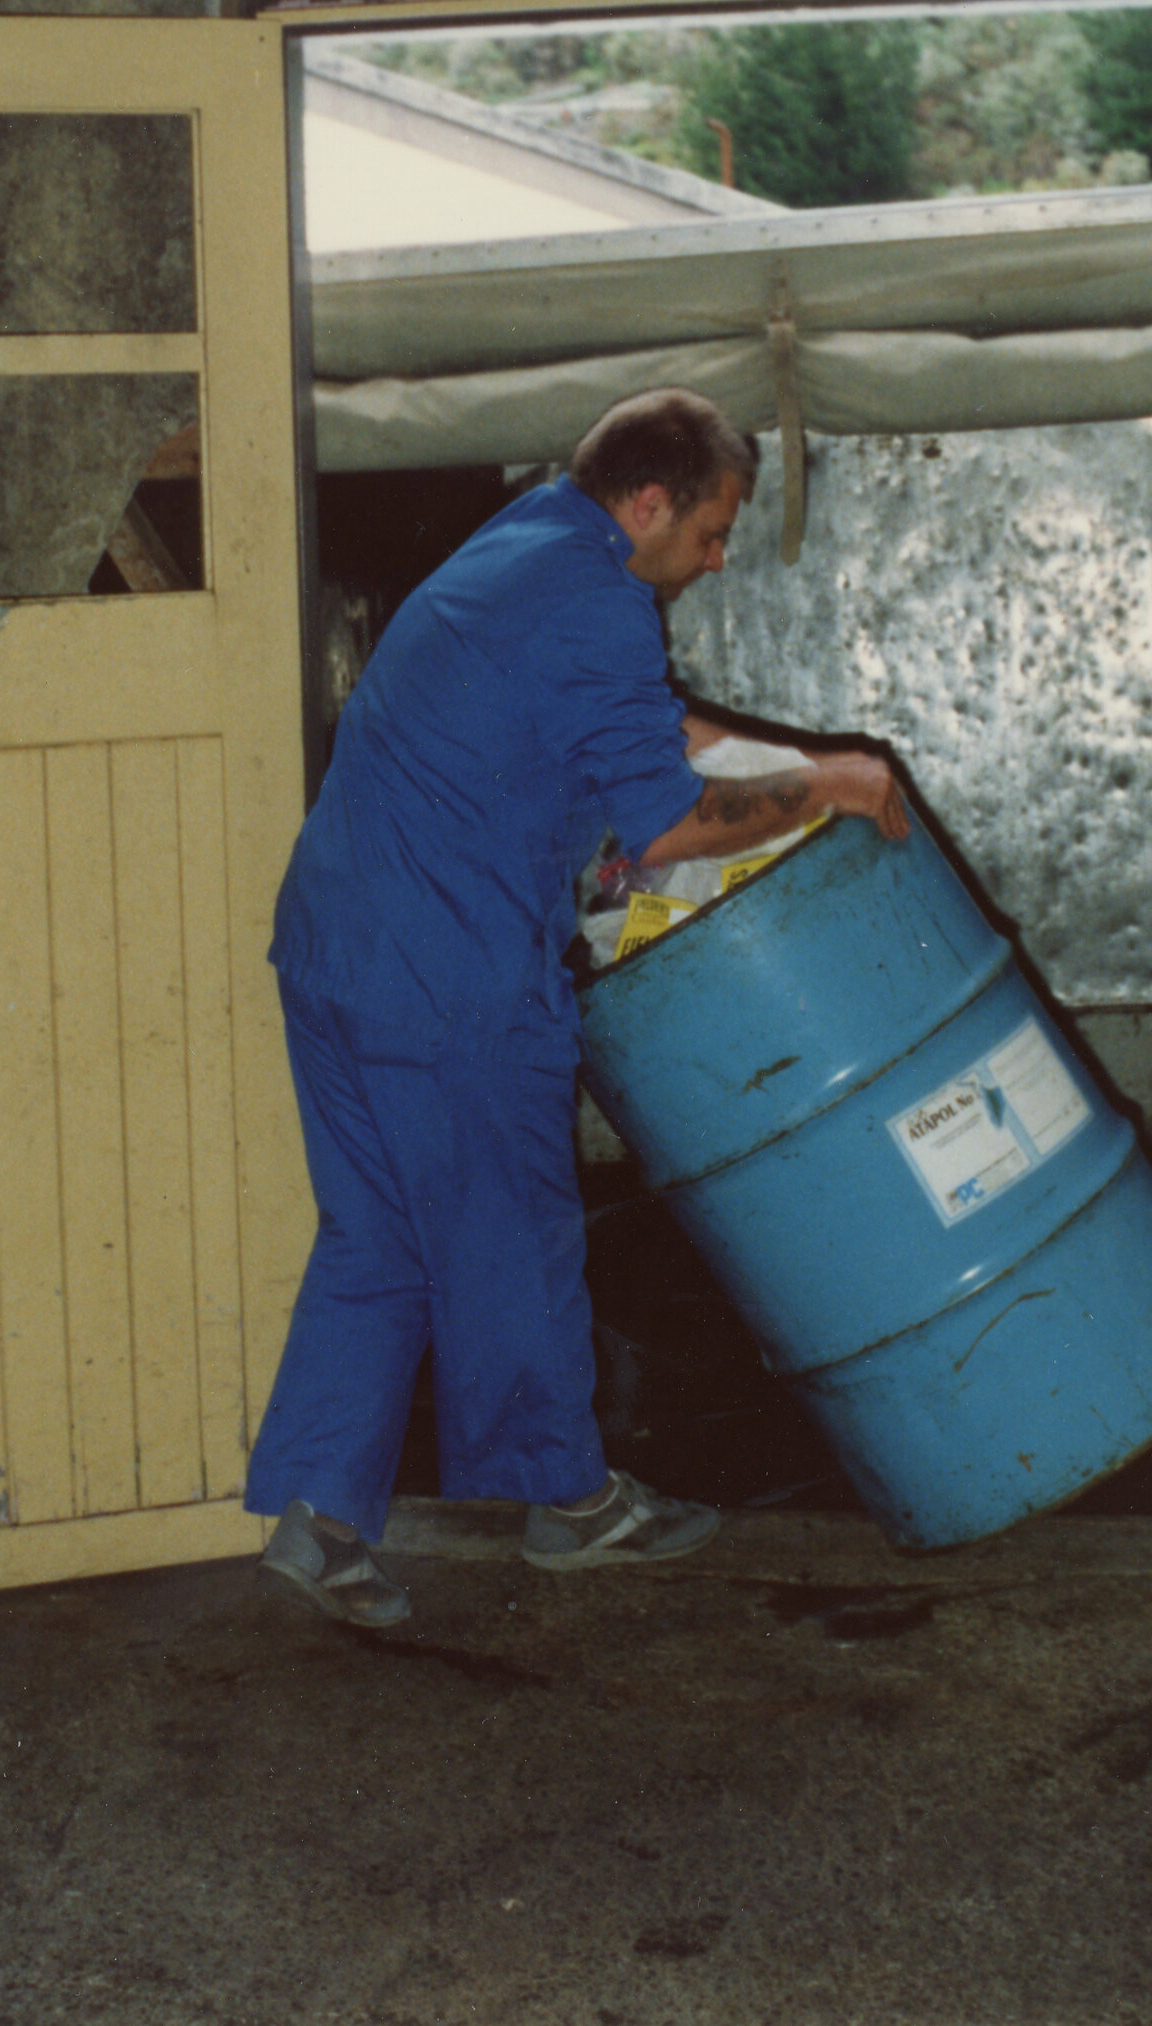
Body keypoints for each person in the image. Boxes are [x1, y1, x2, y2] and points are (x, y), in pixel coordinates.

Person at [247, 387, 910, 1626]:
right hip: (443, 976)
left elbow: (644, 729)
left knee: (376, 1238)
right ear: (649, 502)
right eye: (711, 532)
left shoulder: (527, 541)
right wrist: (819, 781)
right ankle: (571, 1503)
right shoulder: (595, 594)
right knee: (514, 1232)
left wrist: (792, 759)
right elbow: (662, 819)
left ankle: (318, 1519)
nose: (714, 560)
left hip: (332, 945)